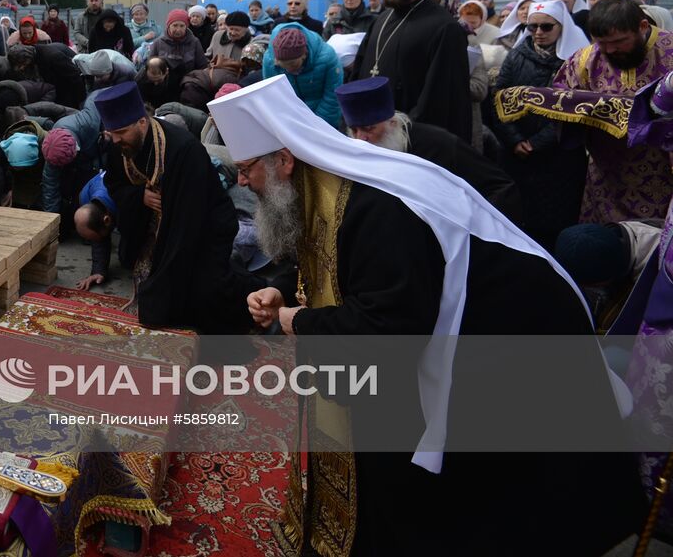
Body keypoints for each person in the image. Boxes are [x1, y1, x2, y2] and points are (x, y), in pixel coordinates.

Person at [209, 76, 641, 557]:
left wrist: (299, 322)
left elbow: (387, 332)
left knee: (504, 492)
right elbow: (333, 262)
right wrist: (285, 290)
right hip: (450, 324)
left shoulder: (375, 208)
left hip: (510, 339)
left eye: (246, 169)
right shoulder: (322, 186)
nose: (241, 182)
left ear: (285, 161)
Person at [94, 81, 254, 332]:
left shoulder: (184, 149)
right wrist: (140, 197)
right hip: (153, 225)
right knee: (158, 292)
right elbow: (114, 184)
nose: (115, 139)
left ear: (142, 122)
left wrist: (167, 266)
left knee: (205, 291)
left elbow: (191, 215)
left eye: (121, 132)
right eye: (111, 133)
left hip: (199, 226)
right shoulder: (119, 146)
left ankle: (263, 297)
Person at [336, 76, 523, 228]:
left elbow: (501, 188)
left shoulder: (440, 144)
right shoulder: (353, 157)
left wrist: (465, 228)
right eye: (354, 130)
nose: (360, 138)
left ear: (392, 123)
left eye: (369, 129)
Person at [551, 0, 673, 224]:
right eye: (602, 43)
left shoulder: (670, 51)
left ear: (642, 26)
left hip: (664, 174)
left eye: (619, 41)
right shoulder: (586, 59)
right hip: (607, 180)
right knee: (604, 240)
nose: (609, 50)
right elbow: (561, 98)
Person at [349, 0, 472, 142]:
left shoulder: (445, 28)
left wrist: (403, 134)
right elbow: (359, 72)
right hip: (368, 135)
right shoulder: (381, 20)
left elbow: (440, 97)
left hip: (409, 139)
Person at [489, 0, 590, 246]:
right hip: (517, 153)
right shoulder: (516, 56)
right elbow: (498, 99)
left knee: (553, 225)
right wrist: (514, 140)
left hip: (559, 156)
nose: (538, 32)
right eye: (532, 27)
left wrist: (538, 143)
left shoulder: (576, 60)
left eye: (546, 27)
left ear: (561, 27)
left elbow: (576, 109)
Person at [42, 98, 107, 242]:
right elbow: (50, 186)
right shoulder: (53, 149)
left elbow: (97, 96)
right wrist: (51, 225)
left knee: (89, 187)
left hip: (98, 153)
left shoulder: (90, 122)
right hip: (83, 157)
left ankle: (91, 223)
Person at [261, 24, 343, 128]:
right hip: (291, 120)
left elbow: (332, 97)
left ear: (304, 54)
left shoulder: (327, 57)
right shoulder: (269, 61)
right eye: (282, 66)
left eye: (292, 64)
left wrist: (319, 126)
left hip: (323, 118)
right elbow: (273, 96)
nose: (288, 70)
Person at [146, 8, 207, 77]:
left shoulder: (194, 42)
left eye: (182, 26)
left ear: (186, 26)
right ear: (169, 26)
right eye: (175, 25)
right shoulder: (158, 43)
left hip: (188, 80)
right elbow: (150, 66)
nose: (178, 29)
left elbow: (202, 67)